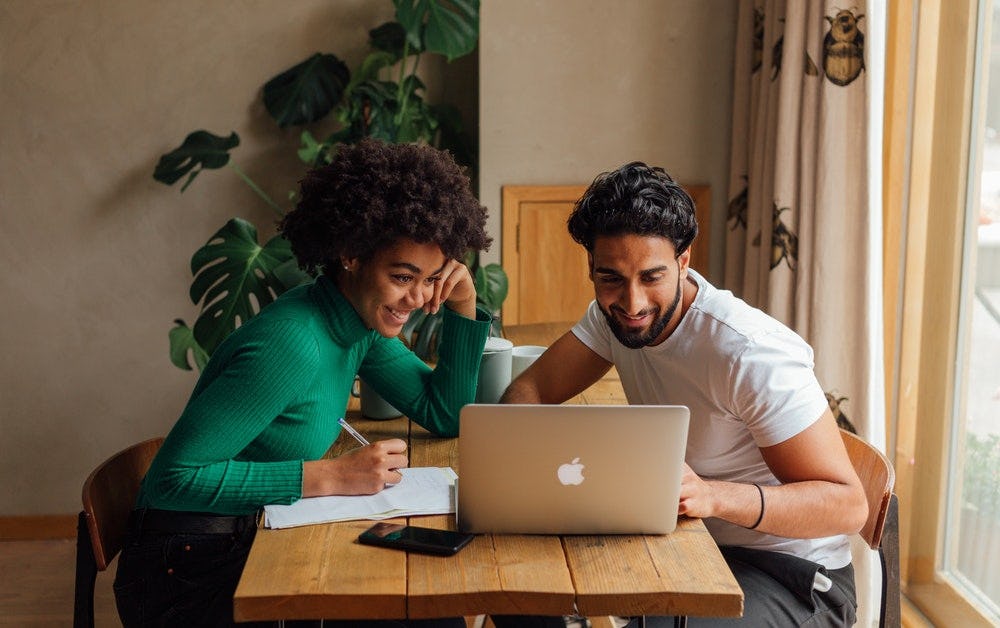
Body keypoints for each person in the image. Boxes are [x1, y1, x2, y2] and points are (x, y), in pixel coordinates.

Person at [113, 139, 493, 628]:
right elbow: (172, 480)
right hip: (187, 573)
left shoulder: (356, 323)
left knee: (429, 606)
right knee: (425, 614)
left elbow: (443, 412)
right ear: (351, 255)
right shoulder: (292, 344)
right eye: (403, 277)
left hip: (257, 535)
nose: (417, 298)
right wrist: (331, 476)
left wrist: (463, 302)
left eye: (431, 279)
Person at [495, 162, 868, 627]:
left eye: (652, 277)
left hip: (792, 577)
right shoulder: (611, 316)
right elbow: (531, 388)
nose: (632, 303)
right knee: (518, 592)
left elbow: (848, 504)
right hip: (688, 545)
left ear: (684, 261)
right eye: (610, 278)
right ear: (591, 267)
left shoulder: (748, 352)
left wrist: (712, 496)